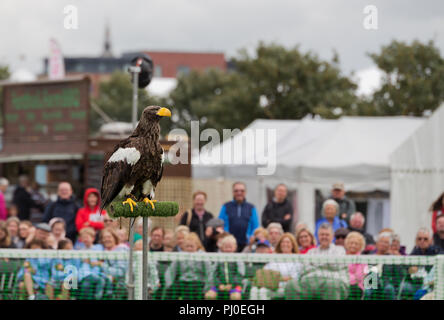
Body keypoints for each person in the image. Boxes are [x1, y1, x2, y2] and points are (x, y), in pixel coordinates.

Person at [285, 223, 349, 300]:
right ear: (318, 236)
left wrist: (315, 265)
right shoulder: (311, 252)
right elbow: (304, 269)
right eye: (322, 235)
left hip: (332, 281)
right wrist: (326, 264)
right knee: (291, 285)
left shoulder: (339, 250)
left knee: (331, 285)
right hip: (309, 282)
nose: (324, 237)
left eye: (327, 235)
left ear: (332, 237)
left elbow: (336, 266)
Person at [251, 233, 301, 300]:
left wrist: (276, 278)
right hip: (271, 285)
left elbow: (294, 278)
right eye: (283, 242)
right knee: (254, 290)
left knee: (263, 292)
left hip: (285, 288)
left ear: (292, 245)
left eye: (288, 242)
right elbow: (265, 273)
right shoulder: (275, 258)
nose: (285, 244)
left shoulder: (297, 260)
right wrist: (275, 278)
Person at [164, 233, 212, 299]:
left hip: (198, 283)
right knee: (169, 292)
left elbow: (209, 272)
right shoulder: (180, 255)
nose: (189, 248)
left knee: (190, 294)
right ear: (183, 247)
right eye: (187, 246)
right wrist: (169, 284)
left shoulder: (203, 256)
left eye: (191, 246)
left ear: (197, 246)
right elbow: (171, 271)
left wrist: (207, 288)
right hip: (183, 282)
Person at [219, 182, 259, 252]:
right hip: (229, 245)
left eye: (242, 191)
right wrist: (225, 236)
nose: (239, 193)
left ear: (245, 192)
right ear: (232, 192)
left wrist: (251, 236)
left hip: (246, 244)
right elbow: (220, 224)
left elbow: (256, 226)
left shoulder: (251, 207)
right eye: (236, 191)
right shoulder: (226, 206)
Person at [205, 235, 244, 300]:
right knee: (209, 296)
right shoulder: (218, 259)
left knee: (235, 297)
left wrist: (232, 285)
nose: (228, 249)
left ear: (235, 247)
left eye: (230, 247)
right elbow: (214, 274)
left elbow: (240, 274)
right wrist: (219, 285)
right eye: (226, 247)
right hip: (219, 286)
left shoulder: (238, 259)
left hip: (235, 285)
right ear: (221, 247)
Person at [344, 231, 367, 300]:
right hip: (343, 284)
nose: (353, 245)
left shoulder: (362, 259)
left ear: (360, 246)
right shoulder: (342, 256)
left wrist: (347, 279)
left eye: (356, 244)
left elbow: (359, 276)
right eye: (351, 243)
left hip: (356, 287)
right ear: (347, 244)